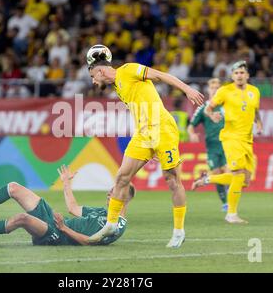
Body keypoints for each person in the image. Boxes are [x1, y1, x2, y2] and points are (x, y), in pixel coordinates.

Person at [87, 45, 204, 248]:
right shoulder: (118, 87)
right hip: (143, 134)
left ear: (100, 71)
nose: (93, 81)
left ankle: (178, 231)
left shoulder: (128, 70)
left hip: (163, 129)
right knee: (122, 177)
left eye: (92, 76)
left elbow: (160, 75)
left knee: (172, 180)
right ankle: (111, 224)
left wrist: (187, 89)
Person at [0, 165, 135, 246]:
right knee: (14, 187)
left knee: (22, 219)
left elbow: (90, 241)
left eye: (114, 191)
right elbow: (73, 209)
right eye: (111, 191)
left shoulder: (118, 224)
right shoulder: (105, 212)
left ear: (124, 197)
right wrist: (67, 183)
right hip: (57, 222)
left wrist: (63, 228)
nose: (109, 193)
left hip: (59, 234)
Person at [192, 61, 263, 224]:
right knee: (237, 175)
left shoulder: (254, 91)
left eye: (242, 73)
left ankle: (207, 180)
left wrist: (259, 122)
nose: (239, 75)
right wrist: (212, 115)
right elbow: (208, 108)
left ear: (247, 76)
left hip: (247, 140)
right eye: (236, 73)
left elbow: (255, 110)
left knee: (244, 180)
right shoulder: (225, 91)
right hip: (231, 138)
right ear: (232, 76)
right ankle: (231, 214)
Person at [188, 78, 228, 212]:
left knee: (228, 173)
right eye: (213, 87)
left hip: (227, 145)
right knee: (216, 173)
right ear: (208, 90)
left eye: (218, 87)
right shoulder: (203, 108)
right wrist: (192, 134)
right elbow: (191, 126)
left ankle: (229, 198)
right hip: (212, 147)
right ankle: (225, 203)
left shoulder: (226, 106)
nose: (215, 89)